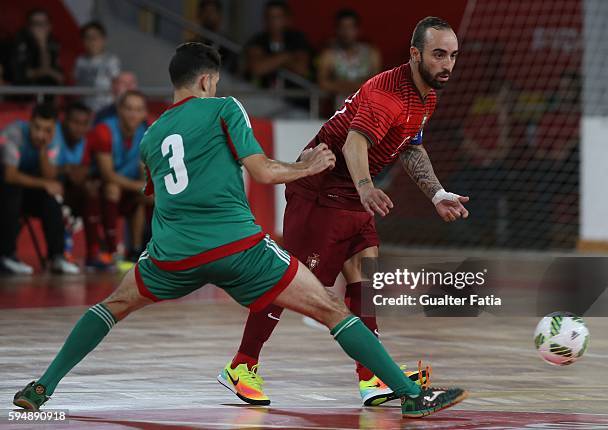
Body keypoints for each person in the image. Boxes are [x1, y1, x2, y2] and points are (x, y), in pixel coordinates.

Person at [13, 42, 467, 419]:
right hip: (238, 246)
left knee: (110, 308)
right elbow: (265, 173)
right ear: (209, 81)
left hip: (171, 254)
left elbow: (155, 193)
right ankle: (408, 393)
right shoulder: (224, 108)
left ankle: (42, 386)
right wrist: (305, 165)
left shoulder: (151, 136)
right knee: (330, 308)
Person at [222, 16, 469, 407]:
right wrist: (367, 188)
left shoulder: (427, 97)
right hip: (321, 192)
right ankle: (242, 364)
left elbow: (409, 145)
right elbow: (355, 145)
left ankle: (371, 376)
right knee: (292, 286)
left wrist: (436, 193)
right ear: (415, 54)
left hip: (351, 195)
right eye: (439, 55)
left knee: (364, 278)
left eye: (453, 56)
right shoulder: (387, 93)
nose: (447, 65)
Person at [0, 103, 79, 275]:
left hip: (23, 192)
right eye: (37, 128)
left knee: (51, 200)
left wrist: (43, 150)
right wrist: (44, 184)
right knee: (13, 191)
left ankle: (56, 257)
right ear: (30, 123)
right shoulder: (13, 134)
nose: (41, 134)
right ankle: (6, 255)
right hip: (5, 190)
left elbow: (49, 176)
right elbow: (10, 176)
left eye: (47, 130)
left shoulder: (52, 138)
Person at [85, 90, 149, 263]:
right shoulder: (104, 130)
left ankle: (137, 250)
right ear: (119, 110)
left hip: (127, 187)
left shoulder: (146, 132)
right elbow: (107, 175)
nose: (133, 114)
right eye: (128, 109)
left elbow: (145, 169)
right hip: (95, 187)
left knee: (151, 197)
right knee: (113, 189)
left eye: (138, 110)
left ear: (144, 113)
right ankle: (112, 249)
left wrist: (146, 186)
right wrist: (141, 186)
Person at [55, 101, 110, 270]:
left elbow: (84, 171)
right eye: (74, 122)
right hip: (48, 188)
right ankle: (60, 253)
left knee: (92, 190)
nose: (79, 128)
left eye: (84, 124)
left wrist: (76, 172)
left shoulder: (87, 140)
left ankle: (94, 254)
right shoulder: (54, 134)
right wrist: (66, 169)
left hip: (71, 188)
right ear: (64, 121)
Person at [318, 9, 382, 108]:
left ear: (358, 30)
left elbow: (377, 84)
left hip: (368, 111)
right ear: (336, 30)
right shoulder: (328, 55)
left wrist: (340, 85)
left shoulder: (371, 53)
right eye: (342, 27)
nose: (346, 32)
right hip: (339, 113)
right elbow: (322, 84)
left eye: (350, 27)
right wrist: (359, 86)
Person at [244, 0, 311, 89]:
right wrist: (286, 57)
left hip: (293, 97)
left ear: (287, 19)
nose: (273, 21)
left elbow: (301, 68)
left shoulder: (297, 39)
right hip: (263, 94)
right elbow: (257, 68)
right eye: (270, 17)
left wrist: (269, 61)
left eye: (278, 17)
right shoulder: (258, 40)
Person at [74, 21, 121, 112]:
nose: (91, 42)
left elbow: (117, 86)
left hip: (105, 108)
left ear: (103, 40)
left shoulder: (111, 60)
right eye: (87, 38)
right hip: (83, 109)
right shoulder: (80, 61)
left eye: (94, 38)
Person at [10, 9, 64, 88]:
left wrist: (42, 45)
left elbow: (61, 76)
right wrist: (47, 72)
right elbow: (21, 74)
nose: (39, 28)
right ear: (28, 26)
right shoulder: (18, 43)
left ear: (49, 26)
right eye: (36, 24)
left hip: (49, 93)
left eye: (43, 23)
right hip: (23, 93)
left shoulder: (54, 44)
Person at [193, 0, 238, 72]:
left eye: (211, 12)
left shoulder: (228, 45)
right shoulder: (191, 45)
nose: (208, 16)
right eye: (204, 12)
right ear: (199, 16)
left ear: (220, 16)